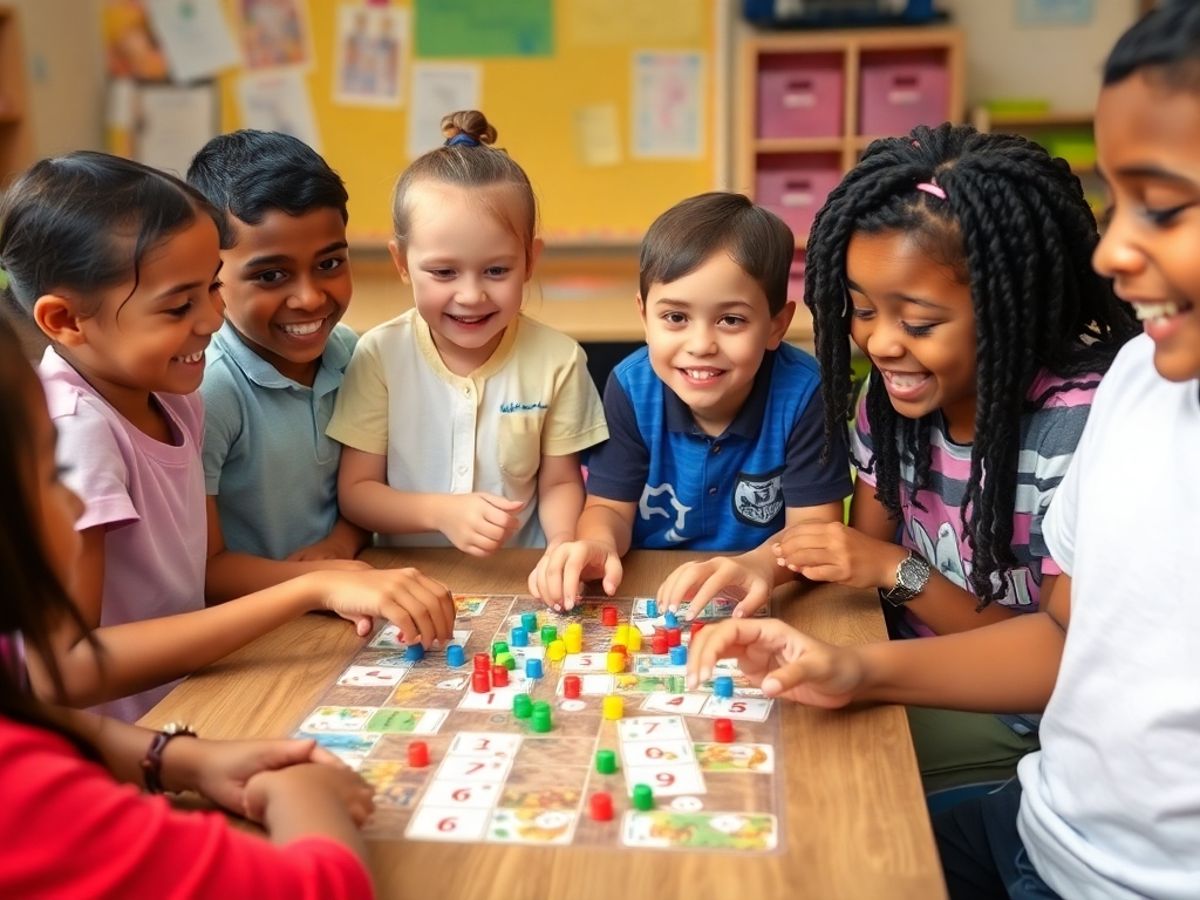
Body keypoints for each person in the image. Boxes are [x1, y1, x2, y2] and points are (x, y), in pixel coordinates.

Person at [688, 6, 1200, 893]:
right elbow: (1068, 638)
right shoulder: (1138, 391)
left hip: (1018, 756)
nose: (1116, 249)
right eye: (861, 311)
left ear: (1003, 308)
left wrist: (889, 582)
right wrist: (784, 573)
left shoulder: (1080, 414)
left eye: (1160, 205)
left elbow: (1026, 641)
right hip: (1043, 822)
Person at [0, 151, 456, 722]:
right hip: (119, 748)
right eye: (178, 306)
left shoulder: (171, 394)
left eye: (211, 289)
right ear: (65, 321)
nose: (213, 320)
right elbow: (64, 668)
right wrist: (311, 587)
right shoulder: (75, 434)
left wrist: (331, 574)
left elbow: (196, 570)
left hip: (191, 707)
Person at [770, 122, 1138, 791]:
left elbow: (1063, 654)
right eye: (860, 311)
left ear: (1008, 311)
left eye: (918, 323)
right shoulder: (888, 404)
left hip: (1021, 716)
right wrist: (755, 570)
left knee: (802, 769)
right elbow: (854, 554)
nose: (880, 345)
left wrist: (898, 572)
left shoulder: (1080, 429)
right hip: (901, 662)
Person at [0, 315, 375, 898]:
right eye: (49, 470)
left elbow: (28, 715)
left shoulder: (178, 399)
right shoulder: (26, 801)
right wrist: (306, 794)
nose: (74, 497)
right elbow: (321, 885)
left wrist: (176, 759)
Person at [529, 192, 852, 614]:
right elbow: (608, 507)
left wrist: (758, 566)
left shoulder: (806, 392)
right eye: (676, 318)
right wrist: (595, 543)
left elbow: (815, 529)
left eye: (731, 320)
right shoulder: (630, 387)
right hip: (648, 590)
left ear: (776, 326)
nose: (700, 345)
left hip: (768, 591)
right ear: (644, 318)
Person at [330, 110, 608, 563]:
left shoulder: (559, 360)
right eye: (443, 272)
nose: (472, 295)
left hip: (520, 580)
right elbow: (358, 493)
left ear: (530, 260)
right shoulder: (380, 354)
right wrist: (441, 513)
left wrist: (560, 546)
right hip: (407, 580)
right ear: (401, 263)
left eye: (497, 270)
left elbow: (559, 482)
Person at [188, 130, 369, 603]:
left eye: (330, 263)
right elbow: (203, 571)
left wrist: (341, 544)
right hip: (250, 638)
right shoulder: (207, 390)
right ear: (210, 273)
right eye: (271, 275)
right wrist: (323, 583)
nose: (310, 298)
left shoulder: (352, 356)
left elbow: (368, 488)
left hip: (345, 608)